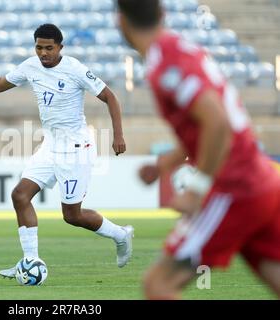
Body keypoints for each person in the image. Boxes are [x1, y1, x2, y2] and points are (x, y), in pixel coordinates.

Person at [0, 24, 134, 278]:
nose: (44, 53)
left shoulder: (74, 68)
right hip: (50, 146)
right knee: (20, 195)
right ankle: (30, 261)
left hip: (75, 149)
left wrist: (118, 135)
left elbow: (110, 97)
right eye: (39, 47)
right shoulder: (30, 66)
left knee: (72, 216)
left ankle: (120, 235)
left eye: (49, 48)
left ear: (60, 48)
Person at [116, 0, 280, 299]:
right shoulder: (180, 48)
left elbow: (218, 123)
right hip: (261, 179)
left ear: (121, 22)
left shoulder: (164, 66)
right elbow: (204, 125)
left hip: (234, 187)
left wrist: (197, 189)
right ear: (162, 14)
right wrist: (166, 164)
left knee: (158, 285)